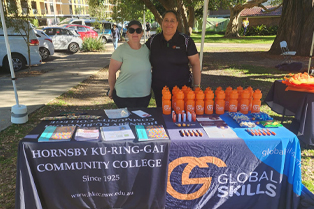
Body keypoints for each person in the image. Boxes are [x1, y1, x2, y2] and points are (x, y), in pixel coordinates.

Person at [146, 10, 201, 107]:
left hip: (182, 89)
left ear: (177, 23)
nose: (169, 24)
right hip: (160, 89)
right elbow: (141, 57)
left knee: (181, 118)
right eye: (166, 20)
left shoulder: (186, 41)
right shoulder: (153, 40)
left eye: (172, 21)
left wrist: (196, 86)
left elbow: (195, 63)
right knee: (163, 116)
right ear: (162, 22)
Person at [108, 20, 152, 108]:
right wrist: (112, 89)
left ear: (142, 33)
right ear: (127, 33)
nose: (135, 33)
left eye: (138, 31)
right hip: (124, 96)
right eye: (131, 30)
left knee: (141, 121)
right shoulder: (120, 50)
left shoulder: (147, 50)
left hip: (144, 96)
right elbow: (112, 72)